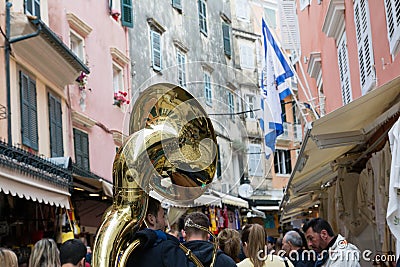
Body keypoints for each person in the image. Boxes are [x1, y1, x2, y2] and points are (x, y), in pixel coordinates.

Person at [126, 196, 190, 267]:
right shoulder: (167, 248)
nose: (165, 223)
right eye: (162, 217)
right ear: (151, 219)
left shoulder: (128, 250)